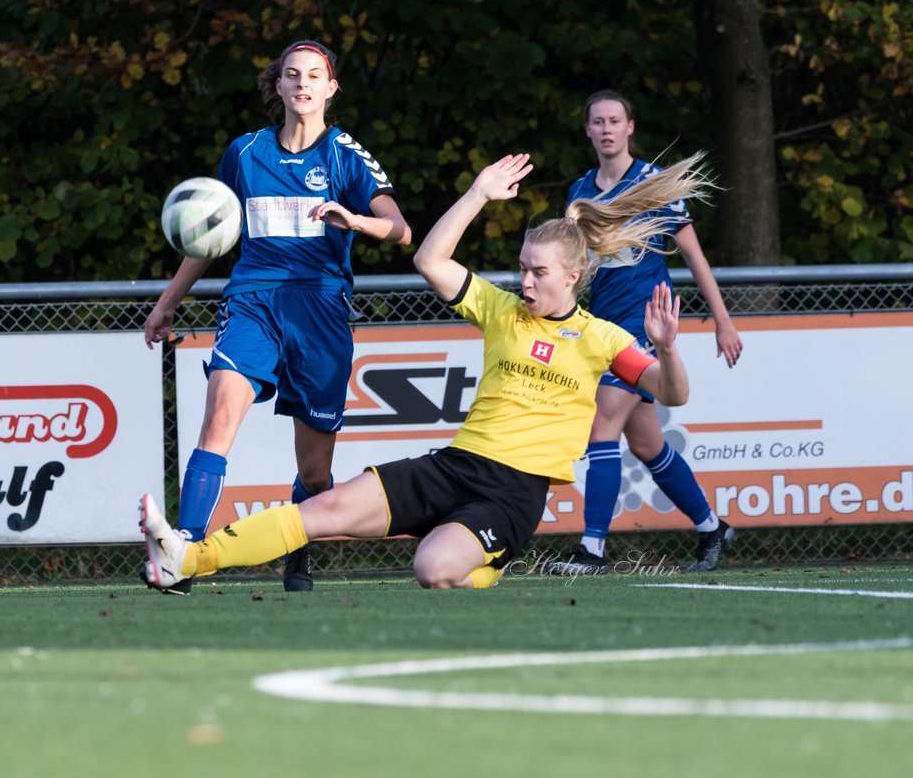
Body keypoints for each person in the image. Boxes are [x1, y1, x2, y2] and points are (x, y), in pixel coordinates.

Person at [141, 152, 707, 593]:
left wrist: (668, 350)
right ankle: (187, 558)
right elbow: (429, 259)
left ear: (575, 275)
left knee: (433, 569)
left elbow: (670, 393)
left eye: (539, 273)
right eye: (522, 269)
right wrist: (477, 194)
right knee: (322, 510)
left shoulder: (602, 338)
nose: (526, 282)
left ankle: (488, 565)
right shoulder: (502, 309)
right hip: (455, 466)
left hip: (511, 498)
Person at [143, 40, 411, 593]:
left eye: (314, 75)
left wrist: (355, 221)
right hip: (254, 301)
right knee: (219, 417)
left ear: (331, 88)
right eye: (292, 75)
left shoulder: (345, 155)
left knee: (314, 470)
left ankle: (298, 551)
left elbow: (401, 229)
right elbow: (208, 237)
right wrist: (167, 302)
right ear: (280, 86)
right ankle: (184, 554)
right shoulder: (244, 154)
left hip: (320, 311)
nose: (303, 83)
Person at [546, 90, 742, 577]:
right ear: (588, 130)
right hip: (601, 329)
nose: (607, 129)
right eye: (598, 121)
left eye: (615, 120)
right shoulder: (579, 193)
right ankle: (711, 527)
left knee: (601, 428)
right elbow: (577, 267)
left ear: (630, 127)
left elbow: (694, 256)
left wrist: (722, 320)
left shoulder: (652, 184)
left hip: (644, 325)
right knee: (647, 445)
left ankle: (591, 550)